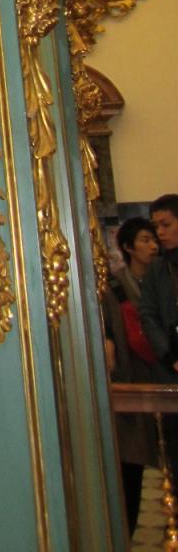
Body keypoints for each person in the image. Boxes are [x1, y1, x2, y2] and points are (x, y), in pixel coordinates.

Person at [105, 217, 159, 533]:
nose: (153, 246)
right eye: (145, 240)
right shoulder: (115, 287)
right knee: (132, 467)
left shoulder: (162, 281)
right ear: (128, 247)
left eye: (154, 239)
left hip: (160, 374)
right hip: (131, 378)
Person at [138, 194, 178, 485]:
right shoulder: (157, 269)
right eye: (156, 227)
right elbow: (148, 315)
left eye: (166, 225)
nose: (160, 233)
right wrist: (169, 356)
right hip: (170, 367)